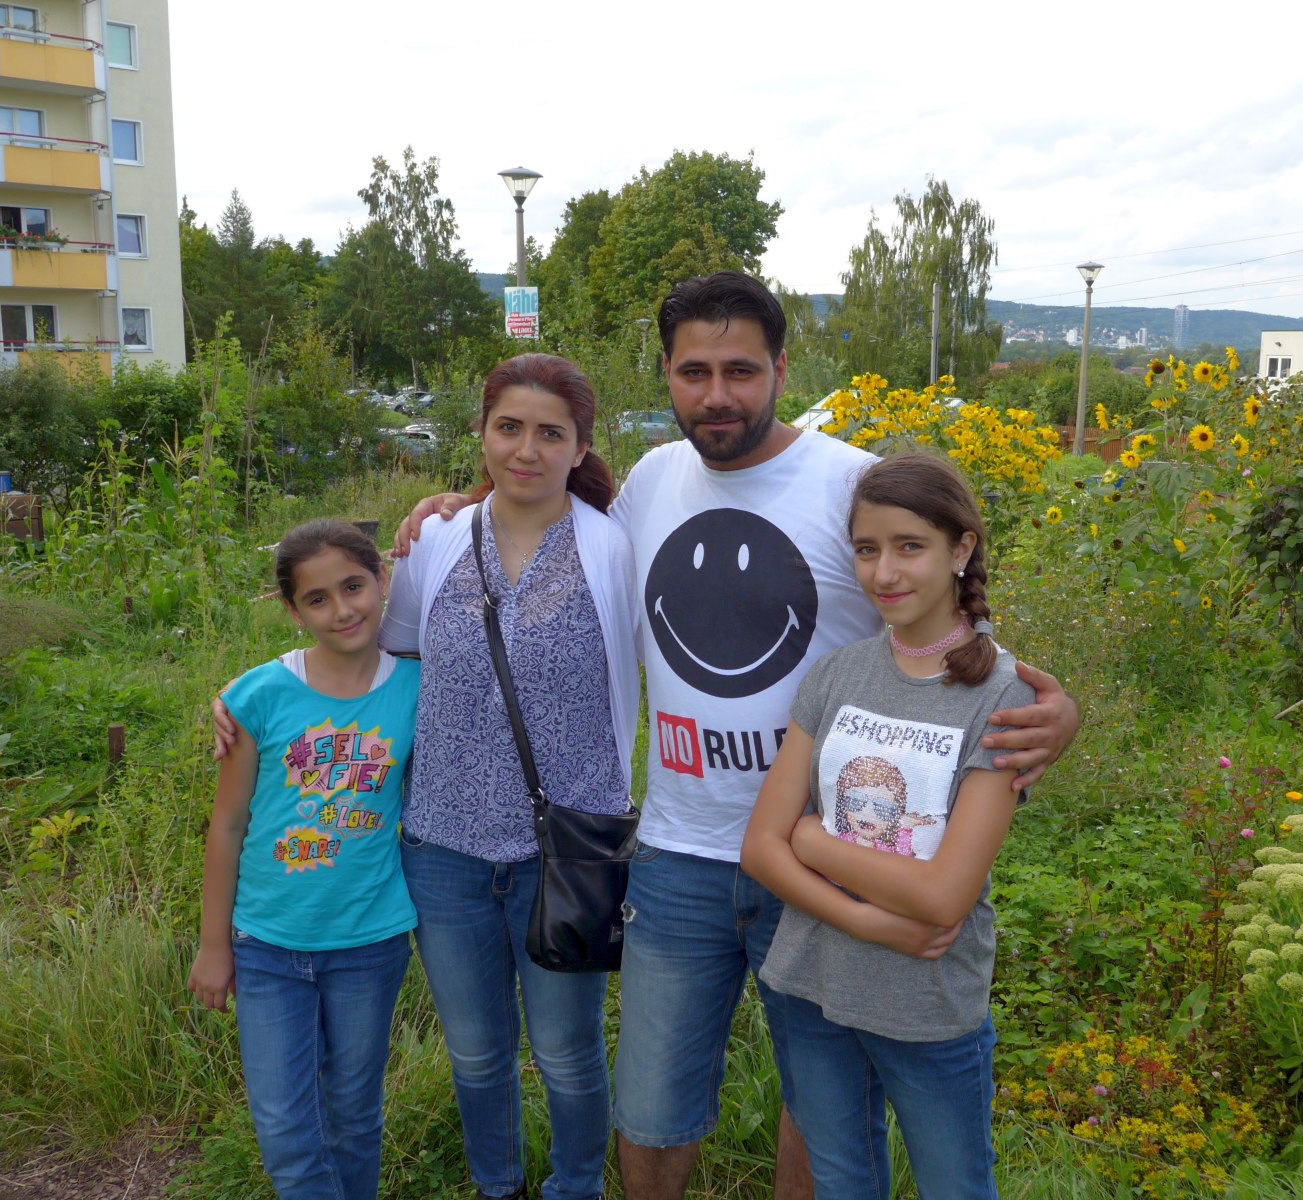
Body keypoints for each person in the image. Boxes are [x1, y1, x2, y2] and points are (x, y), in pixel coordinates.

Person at [394, 271, 1081, 1200]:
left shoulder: (849, 482)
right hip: (678, 856)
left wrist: (1059, 708)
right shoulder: (648, 485)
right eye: (694, 371)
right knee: (650, 1106)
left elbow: (936, 614)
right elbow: (542, 507)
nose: (717, 395)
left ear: (781, 369)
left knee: (824, 1104)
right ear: (668, 376)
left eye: (741, 371)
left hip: (828, 854)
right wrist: (451, 507)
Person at [215, 354, 638, 1200]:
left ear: (580, 444)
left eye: (550, 432)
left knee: (566, 1053)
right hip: (441, 852)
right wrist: (250, 692)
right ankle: (498, 1186)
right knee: (478, 1053)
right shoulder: (439, 540)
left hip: (569, 854)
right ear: (480, 434)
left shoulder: (617, 544)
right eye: (508, 427)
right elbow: (371, 657)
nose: (526, 449)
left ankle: (576, 1186)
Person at [741, 452, 1031, 1199]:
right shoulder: (837, 675)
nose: (884, 573)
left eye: (910, 547)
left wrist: (812, 841)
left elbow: (943, 899)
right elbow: (759, 849)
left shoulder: (1003, 696)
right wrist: (872, 922)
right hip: (812, 984)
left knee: (955, 1188)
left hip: (927, 1002)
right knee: (842, 1180)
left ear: (960, 549)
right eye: (868, 550)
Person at [188, 519, 420, 1200]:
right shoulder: (257, 697)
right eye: (317, 599)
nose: (342, 609)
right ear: (292, 612)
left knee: (354, 1116)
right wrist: (213, 945)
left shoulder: (416, 687)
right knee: (287, 1133)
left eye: (353, 586)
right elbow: (228, 825)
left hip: (370, 941)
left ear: (382, 579)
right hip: (267, 944)